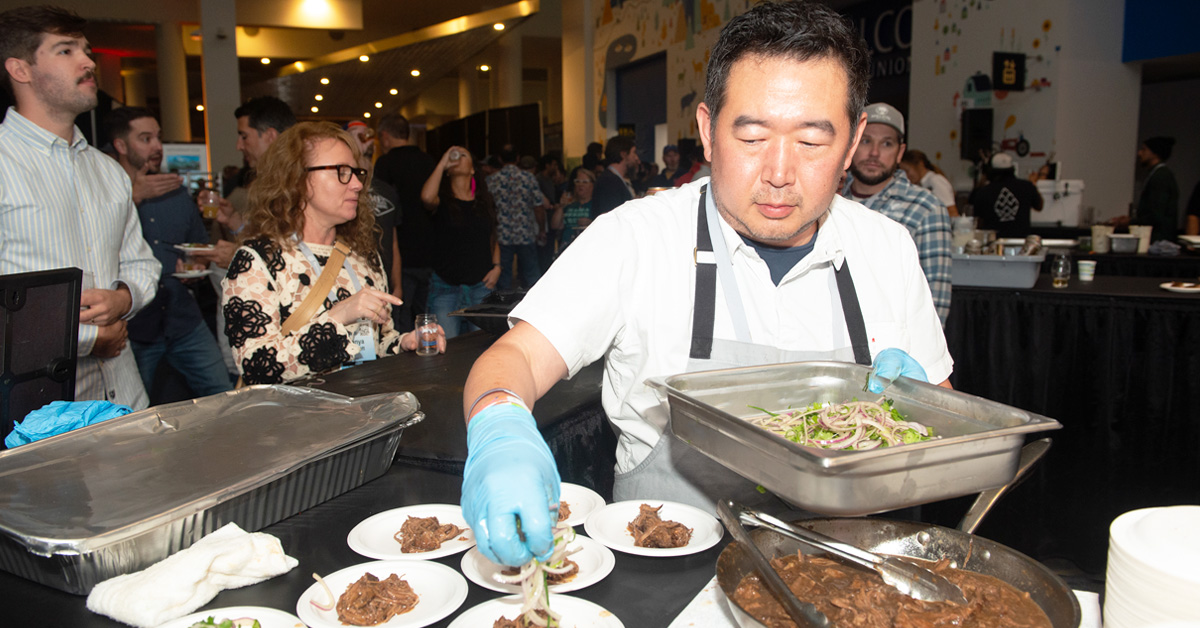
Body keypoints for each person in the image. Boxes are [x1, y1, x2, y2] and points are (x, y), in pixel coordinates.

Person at [459, 0, 951, 567]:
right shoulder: (634, 238)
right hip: (667, 565)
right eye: (751, 137)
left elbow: (944, 408)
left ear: (853, 140)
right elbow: (514, 356)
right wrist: (500, 428)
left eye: (812, 142)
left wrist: (926, 412)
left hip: (846, 567)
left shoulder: (886, 248)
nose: (779, 173)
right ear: (708, 130)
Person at [0, 5, 160, 410]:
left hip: (123, 394)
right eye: (65, 50)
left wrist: (124, 298)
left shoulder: (107, 170)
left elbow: (141, 263)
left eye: (85, 50)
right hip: (34, 409)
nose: (89, 62)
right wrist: (88, 338)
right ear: (21, 70)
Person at [221, 122, 444, 384]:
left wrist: (403, 343)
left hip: (362, 412)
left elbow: (375, 343)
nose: (358, 185)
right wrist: (339, 316)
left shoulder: (364, 258)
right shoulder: (257, 261)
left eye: (356, 173)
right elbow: (257, 368)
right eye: (342, 172)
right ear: (297, 180)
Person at [107, 106, 232, 398]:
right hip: (133, 329)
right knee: (131, 411)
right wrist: (132, 196)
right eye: (145, 138)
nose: (157, 147)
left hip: (183, 319)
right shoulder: (105, 192)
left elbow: (198, 246)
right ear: (121, 145)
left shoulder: (176, 192)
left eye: (158, 138)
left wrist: (194, 267)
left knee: (223, 394)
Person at [842, 103, 952, 326]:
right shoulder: (830, 200)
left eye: (887, 144)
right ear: (851, 144)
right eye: (866, 140)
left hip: (890, 347)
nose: (874, 153)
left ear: (900, 152)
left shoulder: (925, 208)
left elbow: (934, 304)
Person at [420, 146, 500, 338]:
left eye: (462, 154)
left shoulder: (484, 201)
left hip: (481, 286)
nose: (456, 158)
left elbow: (492, 236)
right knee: (446, 348)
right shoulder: (442, 202)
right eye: (452, 156)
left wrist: (497, 267)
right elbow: (426, 197)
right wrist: (443, 162)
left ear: (473, 168)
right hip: (445, 288)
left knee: (481, 349)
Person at [373, 113, 435, 332]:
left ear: (385, 136)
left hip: (401, 251)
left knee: (401, 315)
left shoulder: (385, 164)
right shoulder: (429, 162)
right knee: (427, 314)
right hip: (429, 250)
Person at [346, 119, 402, 305]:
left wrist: (398, 284)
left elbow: (393, 242)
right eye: (357, 135)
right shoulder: (344, 190)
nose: (365, 140)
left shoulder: (387, 191)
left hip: (384, 282)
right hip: (354, 285)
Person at [487, 147, 548, 290]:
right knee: (532, 274)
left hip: (502, 234)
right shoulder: (528, 178)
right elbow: (538, 207)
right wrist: (540, 229)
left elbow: (487, 208)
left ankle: (504, 307)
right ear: (518, 158)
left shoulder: (492, 179)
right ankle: (534, 305)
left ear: (500, 159)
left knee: (503, 276)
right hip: (525, 233)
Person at [968, 152, 1043, 239]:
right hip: (1021, 243)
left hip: (994, 244)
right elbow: (1039, 206)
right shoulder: (1027, 187)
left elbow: (975, 219)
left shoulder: (983, 192)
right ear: (1012, 169)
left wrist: (981, 181)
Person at [1134, 136, 1179, 242]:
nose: (1140, 153)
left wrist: (1131, 222)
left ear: (1155, 153)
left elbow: (1156, 214)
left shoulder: (1161, 177)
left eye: (1144, 149)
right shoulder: (1157, 174)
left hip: (1159, 239)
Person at [899, 149, 958, 217]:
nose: (906, 175)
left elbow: (951, 211)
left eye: (907, 170)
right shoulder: (919, 184)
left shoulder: (935, 180)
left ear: (920, 165)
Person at [590, 135, 639, 218]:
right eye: (633, 152)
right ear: (623, 154)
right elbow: (611, 216)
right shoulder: (609, 182)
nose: (636, 158)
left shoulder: (614, 179)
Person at [552, 167, 595, 251]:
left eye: (585, 182)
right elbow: (555, 225)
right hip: (566, 248)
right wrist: (561, 207)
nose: (580, 185)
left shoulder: (597, 205)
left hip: (587, 248)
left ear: (592, 185)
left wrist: (590, 222)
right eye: (577, 181)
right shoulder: (569, 205)